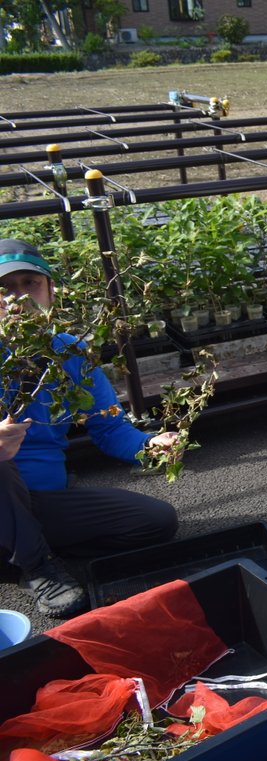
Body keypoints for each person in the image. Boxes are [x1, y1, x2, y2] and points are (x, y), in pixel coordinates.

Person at [0, 238, 179, 619]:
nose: (18, 299)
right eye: (4, 289)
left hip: (46, 501)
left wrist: (150, 445)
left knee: (156, 522)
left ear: (50, 290)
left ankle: (21, 550)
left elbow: (110, 429)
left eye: (30, 284)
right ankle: (37, 567)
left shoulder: (69, 351)